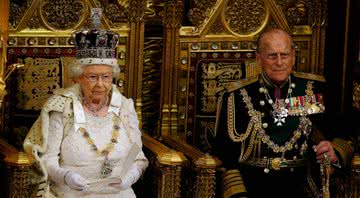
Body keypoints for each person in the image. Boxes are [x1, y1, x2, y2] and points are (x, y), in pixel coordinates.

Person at [213, 28, 353, 198]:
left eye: (284, 55)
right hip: (252, 187)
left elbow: (344, 134)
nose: (279, 62)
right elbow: (224, 155)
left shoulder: (311, 90)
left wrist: (334, 152)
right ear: (259, 58)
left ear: (293, 57)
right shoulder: (236, 96)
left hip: (301, 186)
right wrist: (238, 194)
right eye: (272, 55)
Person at [23, 9, 148, 197]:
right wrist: (65, 176)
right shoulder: (61, 107)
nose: (100, 84)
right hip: (71, 193)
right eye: (92, 77)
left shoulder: (124, 106)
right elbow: (47, 159)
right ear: (77, 78)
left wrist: (129, 177)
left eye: (106, 77)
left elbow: (138, 157)